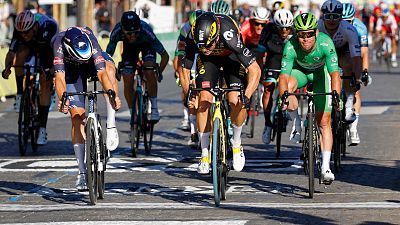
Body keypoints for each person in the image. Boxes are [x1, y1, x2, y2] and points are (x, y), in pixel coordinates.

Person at [182, 12, 261, 174]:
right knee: (204, 100)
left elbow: (255, 70)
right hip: (208, 62)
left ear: (216, 34)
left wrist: (246, 96)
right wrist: (189, 93)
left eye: (208, 45)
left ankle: (237, 143)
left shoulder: (229, 35)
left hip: (231, 57)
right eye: (201, 46)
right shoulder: (194, 35)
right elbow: (184, 70)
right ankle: (204, 155)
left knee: (235, 100)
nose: (205, 49)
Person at [53, 26, 121, 191]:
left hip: (91, 60)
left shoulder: (90, 39)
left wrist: (113, 95)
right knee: (77, 118)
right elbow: (60, 78)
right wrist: (63, 98)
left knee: (110, 70)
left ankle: (111, 124)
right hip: (71, 69)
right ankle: (82, 173)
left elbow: (103, 74)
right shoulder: (58, 44)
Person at [279, 12, 341, 183]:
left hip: (321, 75)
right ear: (296, 34)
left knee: (324, 122)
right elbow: (283, 77)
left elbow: (335, 74)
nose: (305, 39)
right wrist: (284, 96)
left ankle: (325, 167)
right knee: (287, 88)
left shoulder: (325, 43)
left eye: (309, 34)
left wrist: (335, 96)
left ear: (316, 33)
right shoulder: (291, 45)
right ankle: (297, 122)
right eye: (301, 35)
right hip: (301, 73)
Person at [2, 10, 58, 145]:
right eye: (21, 33)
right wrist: (7, 69)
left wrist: (51, 71)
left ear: (34, 26)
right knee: (19, 56)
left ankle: (43, 129)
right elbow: (11, 53)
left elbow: (55, 55)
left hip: (47, 46)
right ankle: (21, 94)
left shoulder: (48, 27)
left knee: (45, 80)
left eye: (26, 32)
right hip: (31, 45)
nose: (23, 35)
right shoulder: (21, 31)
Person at [106, 11, 169, 122]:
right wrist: (113, 69)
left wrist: (158, 72)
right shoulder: (117, 31)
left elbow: (165, 56)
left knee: (149, 71)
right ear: (123, 30)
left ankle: (154, 107)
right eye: (129, 34)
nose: (133, 36)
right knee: (127, 80)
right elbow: (107, 56)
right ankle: (132, 113)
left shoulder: (146, 30)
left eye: (135, 32)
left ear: (139, 29)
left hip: (147, 47)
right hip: (130, 50)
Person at [318, 0, 362, 127]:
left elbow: (357, 57)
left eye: (335, 17)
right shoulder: (317, 26)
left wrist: (357, 78)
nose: (331, 20)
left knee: (348, 66)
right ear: (323, 16)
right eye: (328, 17)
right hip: (323, 53)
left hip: (342, 51)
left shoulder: (349, 29)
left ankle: (348, 104)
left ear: (341, 17)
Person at [257, 9, 294, 144]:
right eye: (281, 29)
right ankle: (267, 124)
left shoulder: (295, 30)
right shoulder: (268, 30)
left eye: (287, 28)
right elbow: (260, 54)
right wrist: (259, 72)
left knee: (292, 85)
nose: (284, 31)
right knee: (268, 89)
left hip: (290, 60)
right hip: (274, 59)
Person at [174, 10, 204, 148]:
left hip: (206, 54)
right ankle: (193, 132)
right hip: (191, 53)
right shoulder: (186, 29)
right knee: (191, 93)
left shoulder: (210, 26)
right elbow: (180, 54)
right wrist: (179, 72)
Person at [342, 3, 370, 145]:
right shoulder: (333, 25)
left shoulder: (360, 28)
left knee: (355, 89)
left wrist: (364, 72)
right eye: (343, 20)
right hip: (338, 51)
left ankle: (353, 128)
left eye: (348, 21)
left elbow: (363, 52)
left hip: (353, 52)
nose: (345, 24)